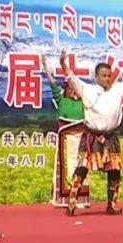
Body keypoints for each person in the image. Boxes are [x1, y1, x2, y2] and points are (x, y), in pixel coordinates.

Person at [60, 48, 123, 216]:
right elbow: (70, 77)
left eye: (109, 75)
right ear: (97, 76)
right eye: (104, 75)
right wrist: (62, 63)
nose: (107, 79)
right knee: (82, 169)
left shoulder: (117, 90)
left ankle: (112, 205)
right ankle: (71, 204)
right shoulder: (86, 89)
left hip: (111, 136)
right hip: (92, 136)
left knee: (115, 171)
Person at [42, 57, 90, 210]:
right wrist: (45, 67)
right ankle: (64, 199)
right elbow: (52, 84)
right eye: (69, 88)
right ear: (65, 90)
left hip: (81, 139)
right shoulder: (62, 101)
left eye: (74, 88)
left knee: (81, 166)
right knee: (67, 167)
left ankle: (81, 199)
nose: (72, 90)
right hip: (66, 141)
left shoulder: (83, 103)